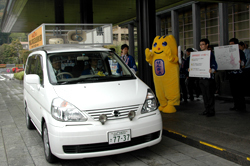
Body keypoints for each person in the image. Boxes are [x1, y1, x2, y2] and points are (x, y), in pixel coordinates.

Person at [195, 38, 218, 117]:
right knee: (204, 95)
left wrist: (212, 69)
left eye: (203, 44)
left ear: (207, 45)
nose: (201, 46)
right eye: (200, 44)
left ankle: (211, 111)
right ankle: (206, 109)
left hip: (208, 78)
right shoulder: (199, 54)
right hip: (201, 78)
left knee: (209, 95)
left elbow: (214, 64)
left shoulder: (210, 54)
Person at [228, 38, 247, 112]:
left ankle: (242, 106)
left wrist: (241, 62)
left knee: (240, 91)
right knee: (233, 91)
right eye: (230, 45)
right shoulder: (229, 52)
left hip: (239, 75)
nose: (231, 46)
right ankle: (236, 105)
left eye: (232, 44)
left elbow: (244, 63)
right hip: (231, 74)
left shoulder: (240, 52)